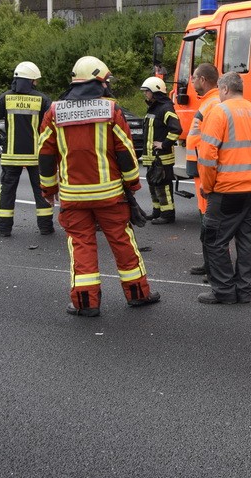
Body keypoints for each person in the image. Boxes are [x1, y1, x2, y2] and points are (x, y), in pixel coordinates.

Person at [38, 56, 160, 317]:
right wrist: (132, 184)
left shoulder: (55, 112)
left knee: (81, 244)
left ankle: (85, 303)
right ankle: (138, 293)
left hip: (73, 196)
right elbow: (125, 151)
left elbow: (45, 155)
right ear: (99, 81)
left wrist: (48, 190)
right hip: (110, 195)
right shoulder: (111, 110)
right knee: (122, 242)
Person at [196, 71, 251, 305]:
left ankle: (224, 291)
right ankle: (244, 291)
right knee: (246, 241)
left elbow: (208, 156)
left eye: (219, 90)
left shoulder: (219, 112)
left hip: (226, 191)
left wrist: (207, 187)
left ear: (225, 89)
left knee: (214, 240)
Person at [0, 61, 54, 237]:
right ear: (31, 81)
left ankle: (4, 229)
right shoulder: (42, 100)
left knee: (7, 192)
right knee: (42, 192)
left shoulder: (5, 98)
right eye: (35, 80)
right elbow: (53, 126)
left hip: (10, 156)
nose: (36, 83)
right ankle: (45, 228)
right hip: (36, 156)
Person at [183, 63, 221, 276]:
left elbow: (211, 144)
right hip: (200, 171)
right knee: (205, 222)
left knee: (210, 224)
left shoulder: (213, 104)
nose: (192, 82)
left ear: (203, 80)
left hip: (205, 172)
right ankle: (209, 265)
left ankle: (214, 269)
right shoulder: (209, 102)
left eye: (194, 78)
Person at [139, 76, 182, 225]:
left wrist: (164, 144)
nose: (145, 94)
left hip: (162, 157)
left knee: (163, 186)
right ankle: (157, 211)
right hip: (152, 157)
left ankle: (168, 214)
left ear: (155, 92)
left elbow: (176, 129)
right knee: (153, 184)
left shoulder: (165, 108)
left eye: (147, 91)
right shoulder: (154, 108)